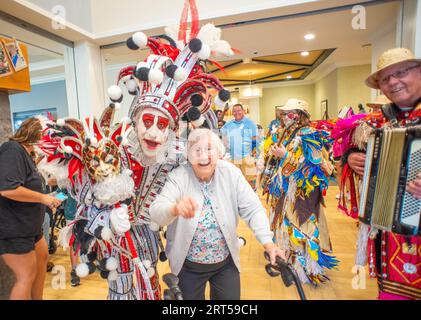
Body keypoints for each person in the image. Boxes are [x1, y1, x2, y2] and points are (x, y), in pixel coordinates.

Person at [150, 128, 285, 300]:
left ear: (219, 152)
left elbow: (253, 209)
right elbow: (156, 211)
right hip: (187, 266)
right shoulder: (179, 176)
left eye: (208, 149)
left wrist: (269, 243)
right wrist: (174, 209)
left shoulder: (230, 173)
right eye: (196, 150)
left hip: (225, 263)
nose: (203, 156)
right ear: (188, 156)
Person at [343, 48, 421, 300]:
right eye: (386, 79)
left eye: (401, 73)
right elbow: (353, 149)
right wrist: (351, 158)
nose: (393, 82)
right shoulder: (380, 122)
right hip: (392, 234)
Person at [265, 98, 338, 285]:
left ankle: (306, 269)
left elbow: (313, 166)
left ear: (300, 115)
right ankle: (290, 261)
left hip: (303, 192)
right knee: (287, 224)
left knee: (302, 225)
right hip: (288, 189)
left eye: (289, 113)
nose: (285, 116)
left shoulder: (309, 134)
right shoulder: (287, 133)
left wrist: (286, 156)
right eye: (284, 113)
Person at [0, 117, 62, 300]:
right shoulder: (12, 149)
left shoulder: (27, 153)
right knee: (24, 276)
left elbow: (25, 183)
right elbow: (7, 188)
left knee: (41, 259)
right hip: (14, 229)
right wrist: (43, 198)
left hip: (31, 227)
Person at [220, 104, 259, 189]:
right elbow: (221, 133)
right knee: (234, 183)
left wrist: (254, 155)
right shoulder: (229, 124)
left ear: (243, 111)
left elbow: (255, 140)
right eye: (234, 111)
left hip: (247, 157)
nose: (236, 112)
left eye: (239, 110)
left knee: (250, 181)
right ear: (232, 113)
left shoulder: (250, 123)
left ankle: (251, 200)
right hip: (233, 158)